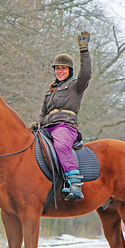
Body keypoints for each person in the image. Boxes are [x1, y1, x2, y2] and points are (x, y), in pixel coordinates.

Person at [30, 31, 91, 201]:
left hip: (65, 127)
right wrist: (37, 123)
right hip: (47, 128)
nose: (59, 71)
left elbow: (86, 74)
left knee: (61, 145)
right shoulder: (50, 91)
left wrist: (84, 50)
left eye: (63, 68)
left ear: (69, 70)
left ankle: (74, 183)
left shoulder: (75, 86)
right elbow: (43, 113)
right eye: (57, 68)